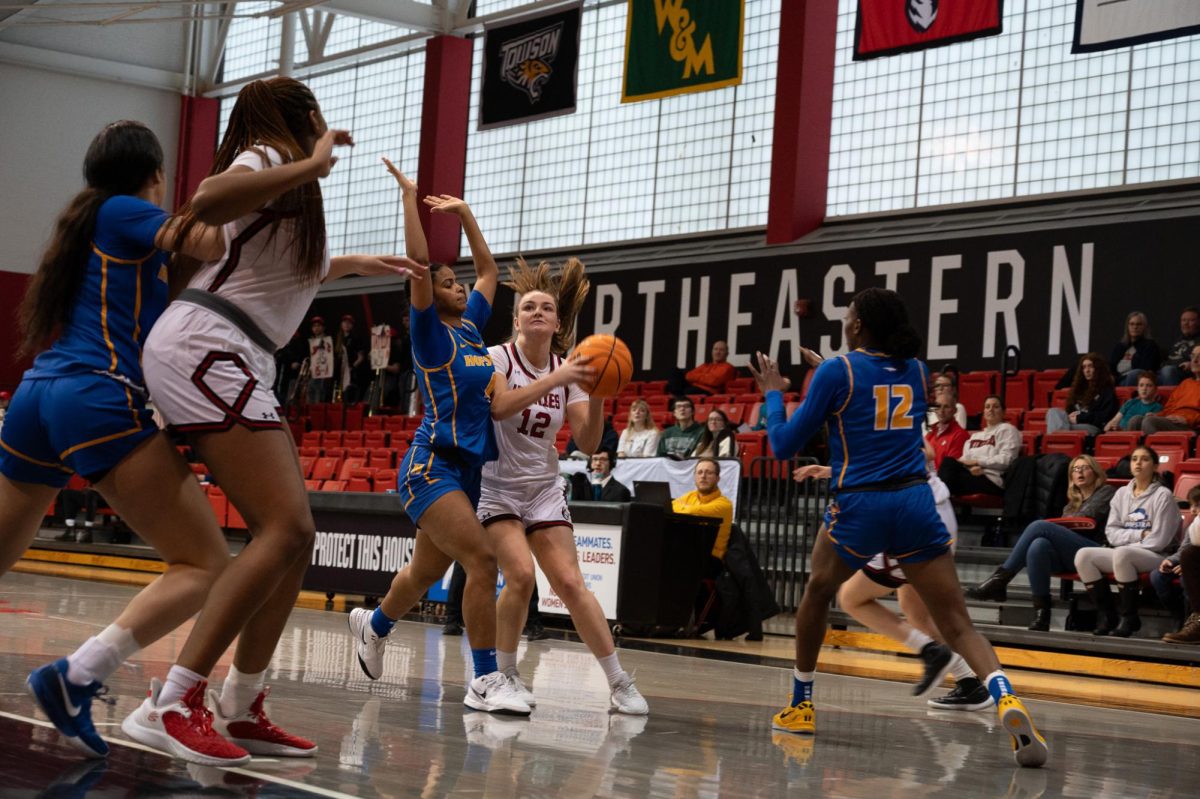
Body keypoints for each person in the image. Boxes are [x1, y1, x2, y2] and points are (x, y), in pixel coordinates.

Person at [123, 78, 417, 766]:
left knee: (293, 538)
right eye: (316, 112)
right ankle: (171, 698)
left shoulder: (286, 191)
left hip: (232, 351)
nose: (325, 121)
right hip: (207, 346)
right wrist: (313, 163)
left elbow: (269, 272)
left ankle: (240, 700)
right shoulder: (261, 157)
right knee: (286, 526)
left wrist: (353, 263)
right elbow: (206, 198)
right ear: (301, 118)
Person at [0, 120, 232, 759]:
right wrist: (236, 188)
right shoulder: (128, 210)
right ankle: (76, 675)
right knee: (205, 563)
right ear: (154, 174)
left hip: (36, 397)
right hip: (93, 396)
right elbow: (211, 240)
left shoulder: (89, 226)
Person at [750, 287, 1047, 767]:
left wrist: (772, 391)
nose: (844, 321)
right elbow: (869, 397)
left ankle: (801, 705)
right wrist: (824, 372)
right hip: (914, 501)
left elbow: (782, 444)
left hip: (862, 506)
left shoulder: (837, 371)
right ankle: (1008, 698)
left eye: (848, 315)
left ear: (859, 326)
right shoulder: (915, 369)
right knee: (958, 621)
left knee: (819, 593)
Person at [346, 160, 591, 716]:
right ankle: (485, 681)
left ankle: (375, 624)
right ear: (432, 295)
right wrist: (411, 200)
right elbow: (419, 273)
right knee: (483, 563)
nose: (460, 287)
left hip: (469, 472)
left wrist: (466, 215)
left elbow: (487, 271)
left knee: (424, 572)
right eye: (447, 283)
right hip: (432, 465)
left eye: (456, 284)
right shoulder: (431, 334)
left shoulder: (474, 329)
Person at [474, 256, 648, 715]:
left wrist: (601, 397)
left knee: (571, 582)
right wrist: (560, 376)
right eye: (528, 306)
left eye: (546, 308)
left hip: (543, 487)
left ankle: (618, 681)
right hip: (495, 486)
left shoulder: (570, 372)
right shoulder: (497, 357)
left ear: (557, 323)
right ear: (516, 320)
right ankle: (506, 674)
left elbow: (589, 443)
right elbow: (501, 407)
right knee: (520, 575)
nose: (537, 312)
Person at [795, 456, 992, 711]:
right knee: (915, 611)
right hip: (926, 512)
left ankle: (933, 652)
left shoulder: (894, 425)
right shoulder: (894, 425)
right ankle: (971, 684)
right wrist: (835, 470)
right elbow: (890, 461)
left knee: (852, 598)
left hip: (918, 517)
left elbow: (921, 454)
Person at [967, 455, 1115, 631]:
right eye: (1075, 469)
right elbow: (1068, 528)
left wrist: (1061, 529)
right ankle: (1042, 615)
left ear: (1096, 472)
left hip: (1096, 551)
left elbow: (1086, 518)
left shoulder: (1107, 491)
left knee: (1039, 526)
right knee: (1038, 546)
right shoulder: (1071, 504)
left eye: (1085, 468)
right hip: (1073, 554)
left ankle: (999, 581)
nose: (1080, 472)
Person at [1074, 446, 1182, 637]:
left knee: (1123, 554)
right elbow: (1111, 533)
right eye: (1134, 459)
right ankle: (1108, 616)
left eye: (1144, 459)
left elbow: (1160, 539)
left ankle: (1129, 617)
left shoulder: (1163, 495)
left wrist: (1127, 543)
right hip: (1127, 553)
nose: (1138, 463)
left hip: (1159, 555)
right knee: (1084, 555)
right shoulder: (1121, 494)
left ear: (1155, 465)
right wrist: (1139, 536)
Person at [937, 396, 1020, 498]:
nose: (991, 409)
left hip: (992, 480)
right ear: (984, 413)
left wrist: (978, 462)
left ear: (1003, 412)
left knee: (944, 479)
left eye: (996, 406)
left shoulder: (1008, 430)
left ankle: (937, 504)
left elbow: (1007, 460)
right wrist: (970, 467)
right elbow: (965, 460)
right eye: (987, 407)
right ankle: (940, 503)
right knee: (948, 464)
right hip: (972, 474)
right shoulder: (975, 436)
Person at [671, 458, 734, 570]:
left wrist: (683, 507)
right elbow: (669, 507)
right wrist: (683, 508)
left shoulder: (725, 505)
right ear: (695, 477)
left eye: (709, 472)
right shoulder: (690, 496)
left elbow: (692, 512)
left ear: (717, 478)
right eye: (699, 472)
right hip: (689, 553)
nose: (703, 476)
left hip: (711, 560)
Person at [1160, 487, 1200, 644]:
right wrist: (1173, 560)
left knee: (1189, 561)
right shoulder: (1196, 523)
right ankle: (1194, 620)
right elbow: (1189, 546)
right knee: (1188, 557)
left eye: (1197, 505)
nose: (1193, 510)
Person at [1045, 353, 1116, 436]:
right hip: (1071, 425)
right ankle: (1061, 439)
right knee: (1053, 411)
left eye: (1090, 366)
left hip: (1091, 427)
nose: (1087, 370)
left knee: (1057, 428)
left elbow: (1104, 417)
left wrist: (1079, 418)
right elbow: (1070, 412)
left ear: (1098, 369)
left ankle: (1056, 442)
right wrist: (1071, 417)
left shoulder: (1106, 391)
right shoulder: (1078, 390)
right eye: (1084, 367)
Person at [1136, 345, 1200, 434]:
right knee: (1136, 420)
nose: (1195, 360)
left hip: (1190, 426)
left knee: (1149, 422)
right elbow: (1169, 408)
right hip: (1172, 420)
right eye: (1193, 356)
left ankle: (1151, 448)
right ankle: (1138, 448)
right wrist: (1158, 415)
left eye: (1199, 357)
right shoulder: (1186, 383)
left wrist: (1187, 419)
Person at [667, 340, 738, 397]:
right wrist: (705, 377)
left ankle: (678, 397)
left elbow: (714, 381)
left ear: (727, 354)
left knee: (688, 391)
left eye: (721, 350)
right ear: (712, 351)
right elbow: (688, 375)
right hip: (694, 387)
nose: (718, 352)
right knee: (674, 371)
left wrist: (698, 377)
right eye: (715, 349)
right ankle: (677, 395)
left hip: (709, 392)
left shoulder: (728, 367)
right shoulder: (705, 365)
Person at [1109, 311, 1161, 387]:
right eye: (1132, 324)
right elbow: (1111, 366)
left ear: (1144, 327)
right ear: (1127, 326)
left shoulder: (1150, 345)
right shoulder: (1120, 346)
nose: (1135, 327)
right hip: (1118, 380)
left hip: (1138, 381)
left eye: (1138, 324)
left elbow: (1146, 369)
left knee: (1135, 373)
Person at [1158, 306, 1199, 387]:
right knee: (1136, 374)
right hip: (1166, 372)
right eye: (1183, 320)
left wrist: (1191, 364)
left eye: (1191, 320)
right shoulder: (1177, 340)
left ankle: (1174, 399)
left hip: (1185, 375)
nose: (1186, 323)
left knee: (1168, 370)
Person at [925, 397, 969, 469]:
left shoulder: (960, 435)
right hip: (926, 476)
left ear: (954, 410)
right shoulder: (931, 432)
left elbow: (950, 469)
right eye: (938, 406)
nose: (941, 411)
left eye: (946, 407)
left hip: (942, 478)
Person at [305, 315, 332, 403]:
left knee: (319, 393)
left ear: (323, 328)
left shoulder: (327, 340)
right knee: (310, 392)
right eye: (314, 326)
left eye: (318, 326)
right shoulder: (311, 340)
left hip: (322, 372)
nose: (316, 328)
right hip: (312, 371)